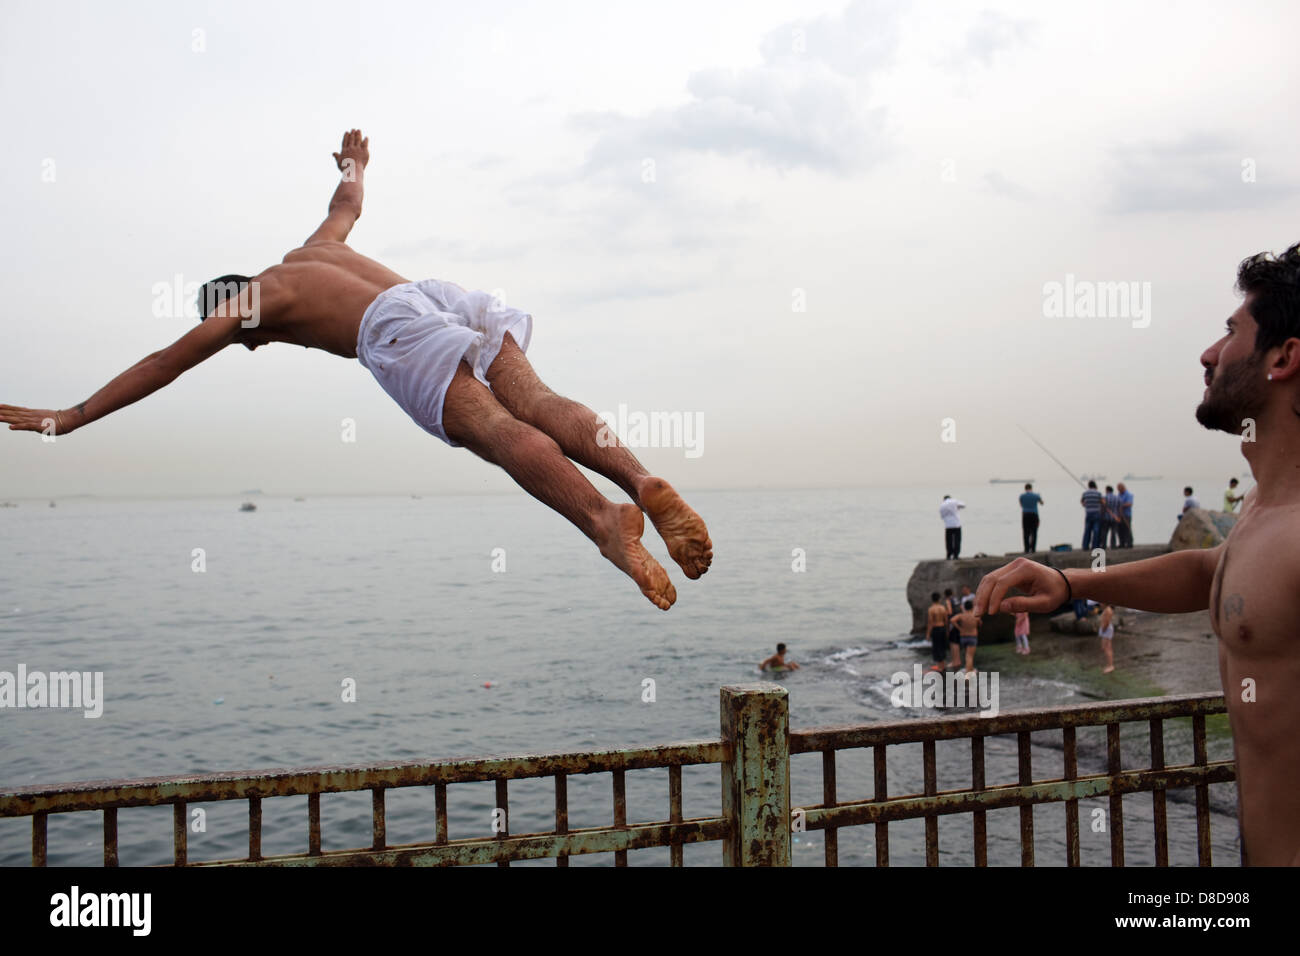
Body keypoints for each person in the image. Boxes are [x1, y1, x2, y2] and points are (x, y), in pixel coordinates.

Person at [0, 131, 711, 612]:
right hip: (434, 295)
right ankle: (639, 481)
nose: (257, 344)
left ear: (234, 312)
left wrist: (73, 416)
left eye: (246, 341)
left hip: (394, 333)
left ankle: (603, 523)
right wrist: (355, 163)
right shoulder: (315, 248)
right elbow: (348, 203)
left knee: (496, 431)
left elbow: (165, 362)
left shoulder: (252, 302)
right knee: (537, 398)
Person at [972, 241, 1300, 865]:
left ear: (1283, 357)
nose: (1208, 353)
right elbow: (1212, 571)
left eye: (1231, 332)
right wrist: (1070, 582)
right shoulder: (1265, 507)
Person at [950, 597, 980, 675]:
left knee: (967, 654)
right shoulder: (975, 616)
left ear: (964, 607)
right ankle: (968, 672)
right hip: (972, 636)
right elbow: (980, 623)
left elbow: (952, 620)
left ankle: (970, 668)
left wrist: (959, 628)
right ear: (972, 607)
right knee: (970, 656)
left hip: (963, 637)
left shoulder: (961, 615)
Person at [948, 585, 973, 669]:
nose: (963, 591)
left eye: (965, 590)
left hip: (966, 623)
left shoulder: (972, 597)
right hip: (965, 625)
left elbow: (952, 619)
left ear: (968, 589)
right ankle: (968, 667)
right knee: (968, 650)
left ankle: (967, 667)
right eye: (963, 590)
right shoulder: (962, 599)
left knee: (968, 651)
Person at [925, 592, 950, 673]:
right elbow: (946, 621)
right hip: (942, 628)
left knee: (936, 647)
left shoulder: (931, 609)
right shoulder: (943, 608)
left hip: (936, 629)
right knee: (942, 646)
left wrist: (928, 634)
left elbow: (930, 622)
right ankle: (943, 665)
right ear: (939, 599)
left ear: (932, 599)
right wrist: (947, 631)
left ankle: (940, 666)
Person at [1019, 483, 1043, 552]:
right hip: (1034, 515)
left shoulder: (1022, 496)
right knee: (1034, 532)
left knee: (1026, 532)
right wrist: (1039, 497)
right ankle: (1033, 549)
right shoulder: (1036, 495)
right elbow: (1042, 503)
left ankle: (1026, 549)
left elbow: (1021, 504)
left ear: (1025, 488)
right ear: (1031, 488)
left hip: (1025, 515)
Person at [1079, 480, 1103, 550]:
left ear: (1089, 485)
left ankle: (1085, 546)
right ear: (1095, 485)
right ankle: (1095, 546)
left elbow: (1082, 502)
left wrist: (1086, 505)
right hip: (1096, 513)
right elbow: (1102, 502)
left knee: (1087, 530)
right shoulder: (1098, 493)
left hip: (1088, 513)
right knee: (1096, 530)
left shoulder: (1085, 493)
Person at [1098, 603, 1115, 674]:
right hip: (1105, 629)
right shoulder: (1106, 609)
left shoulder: (1108, 610)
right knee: (1107, 647)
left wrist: (1103, 630)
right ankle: (1109, 664)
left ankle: (1110, 665)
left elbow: (1107, 622)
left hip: (1106, 630)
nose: (1100, 604)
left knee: (1107, 648)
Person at [1116, 482, 1135, 548]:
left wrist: (1122, 506)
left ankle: (1129, 543)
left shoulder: (1128, 494)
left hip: (1126, 515)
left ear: (1122, 488)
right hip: (1119, 515)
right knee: (1120, 529)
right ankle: (1122, 543)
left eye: (1119, 488)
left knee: (1127, 528)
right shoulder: (1119, 495)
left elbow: (1130, 503)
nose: (1118, 490)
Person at [1101, 485, 1120, 549]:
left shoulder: (1105, 497)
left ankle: (1104, 545)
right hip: (1115, 517)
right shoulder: (1117, 497)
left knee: (1104, 532)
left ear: (1107, 490)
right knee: (1113, 532)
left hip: (1106, 517)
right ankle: (1113, 545)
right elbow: (1119, 507)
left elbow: (1103, 508)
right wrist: (1119, 516)